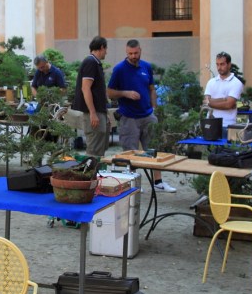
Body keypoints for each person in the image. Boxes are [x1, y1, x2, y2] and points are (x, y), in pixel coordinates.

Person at [108, 40, 176, 192]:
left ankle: (158, 182)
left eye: (136, 53)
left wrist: (154, 108)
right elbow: (110, 92)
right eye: (130, 54)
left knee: (154, 149)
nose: (133, 56)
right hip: (128, 117)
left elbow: (152, 89)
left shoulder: (146, 66)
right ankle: (134, 184)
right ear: (126, 52)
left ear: (140, 51)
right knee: (130, 152)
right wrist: (125, 93)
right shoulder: (119, 69)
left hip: (148, 115)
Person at [72, 36, 109, 157]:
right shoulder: (91, 62)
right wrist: (93, 113)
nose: (106, 52)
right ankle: (91, 169)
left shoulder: (95, 63)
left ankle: (96, 169)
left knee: (99, 149)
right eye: (106, 49)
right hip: (93, 112)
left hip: (98, 111)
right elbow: (85, 88)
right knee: (94, 151)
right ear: (102, 47)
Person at [204, 51, 244, 129]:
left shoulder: (236, 83)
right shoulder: (211, 82)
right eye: (217, 64)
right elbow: (205, 101)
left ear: (229, 65)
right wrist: (224, 99)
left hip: (227, 125)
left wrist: (210, 102)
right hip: (210, 123)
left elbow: (228, 105)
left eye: (222, 64)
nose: (219, 67)